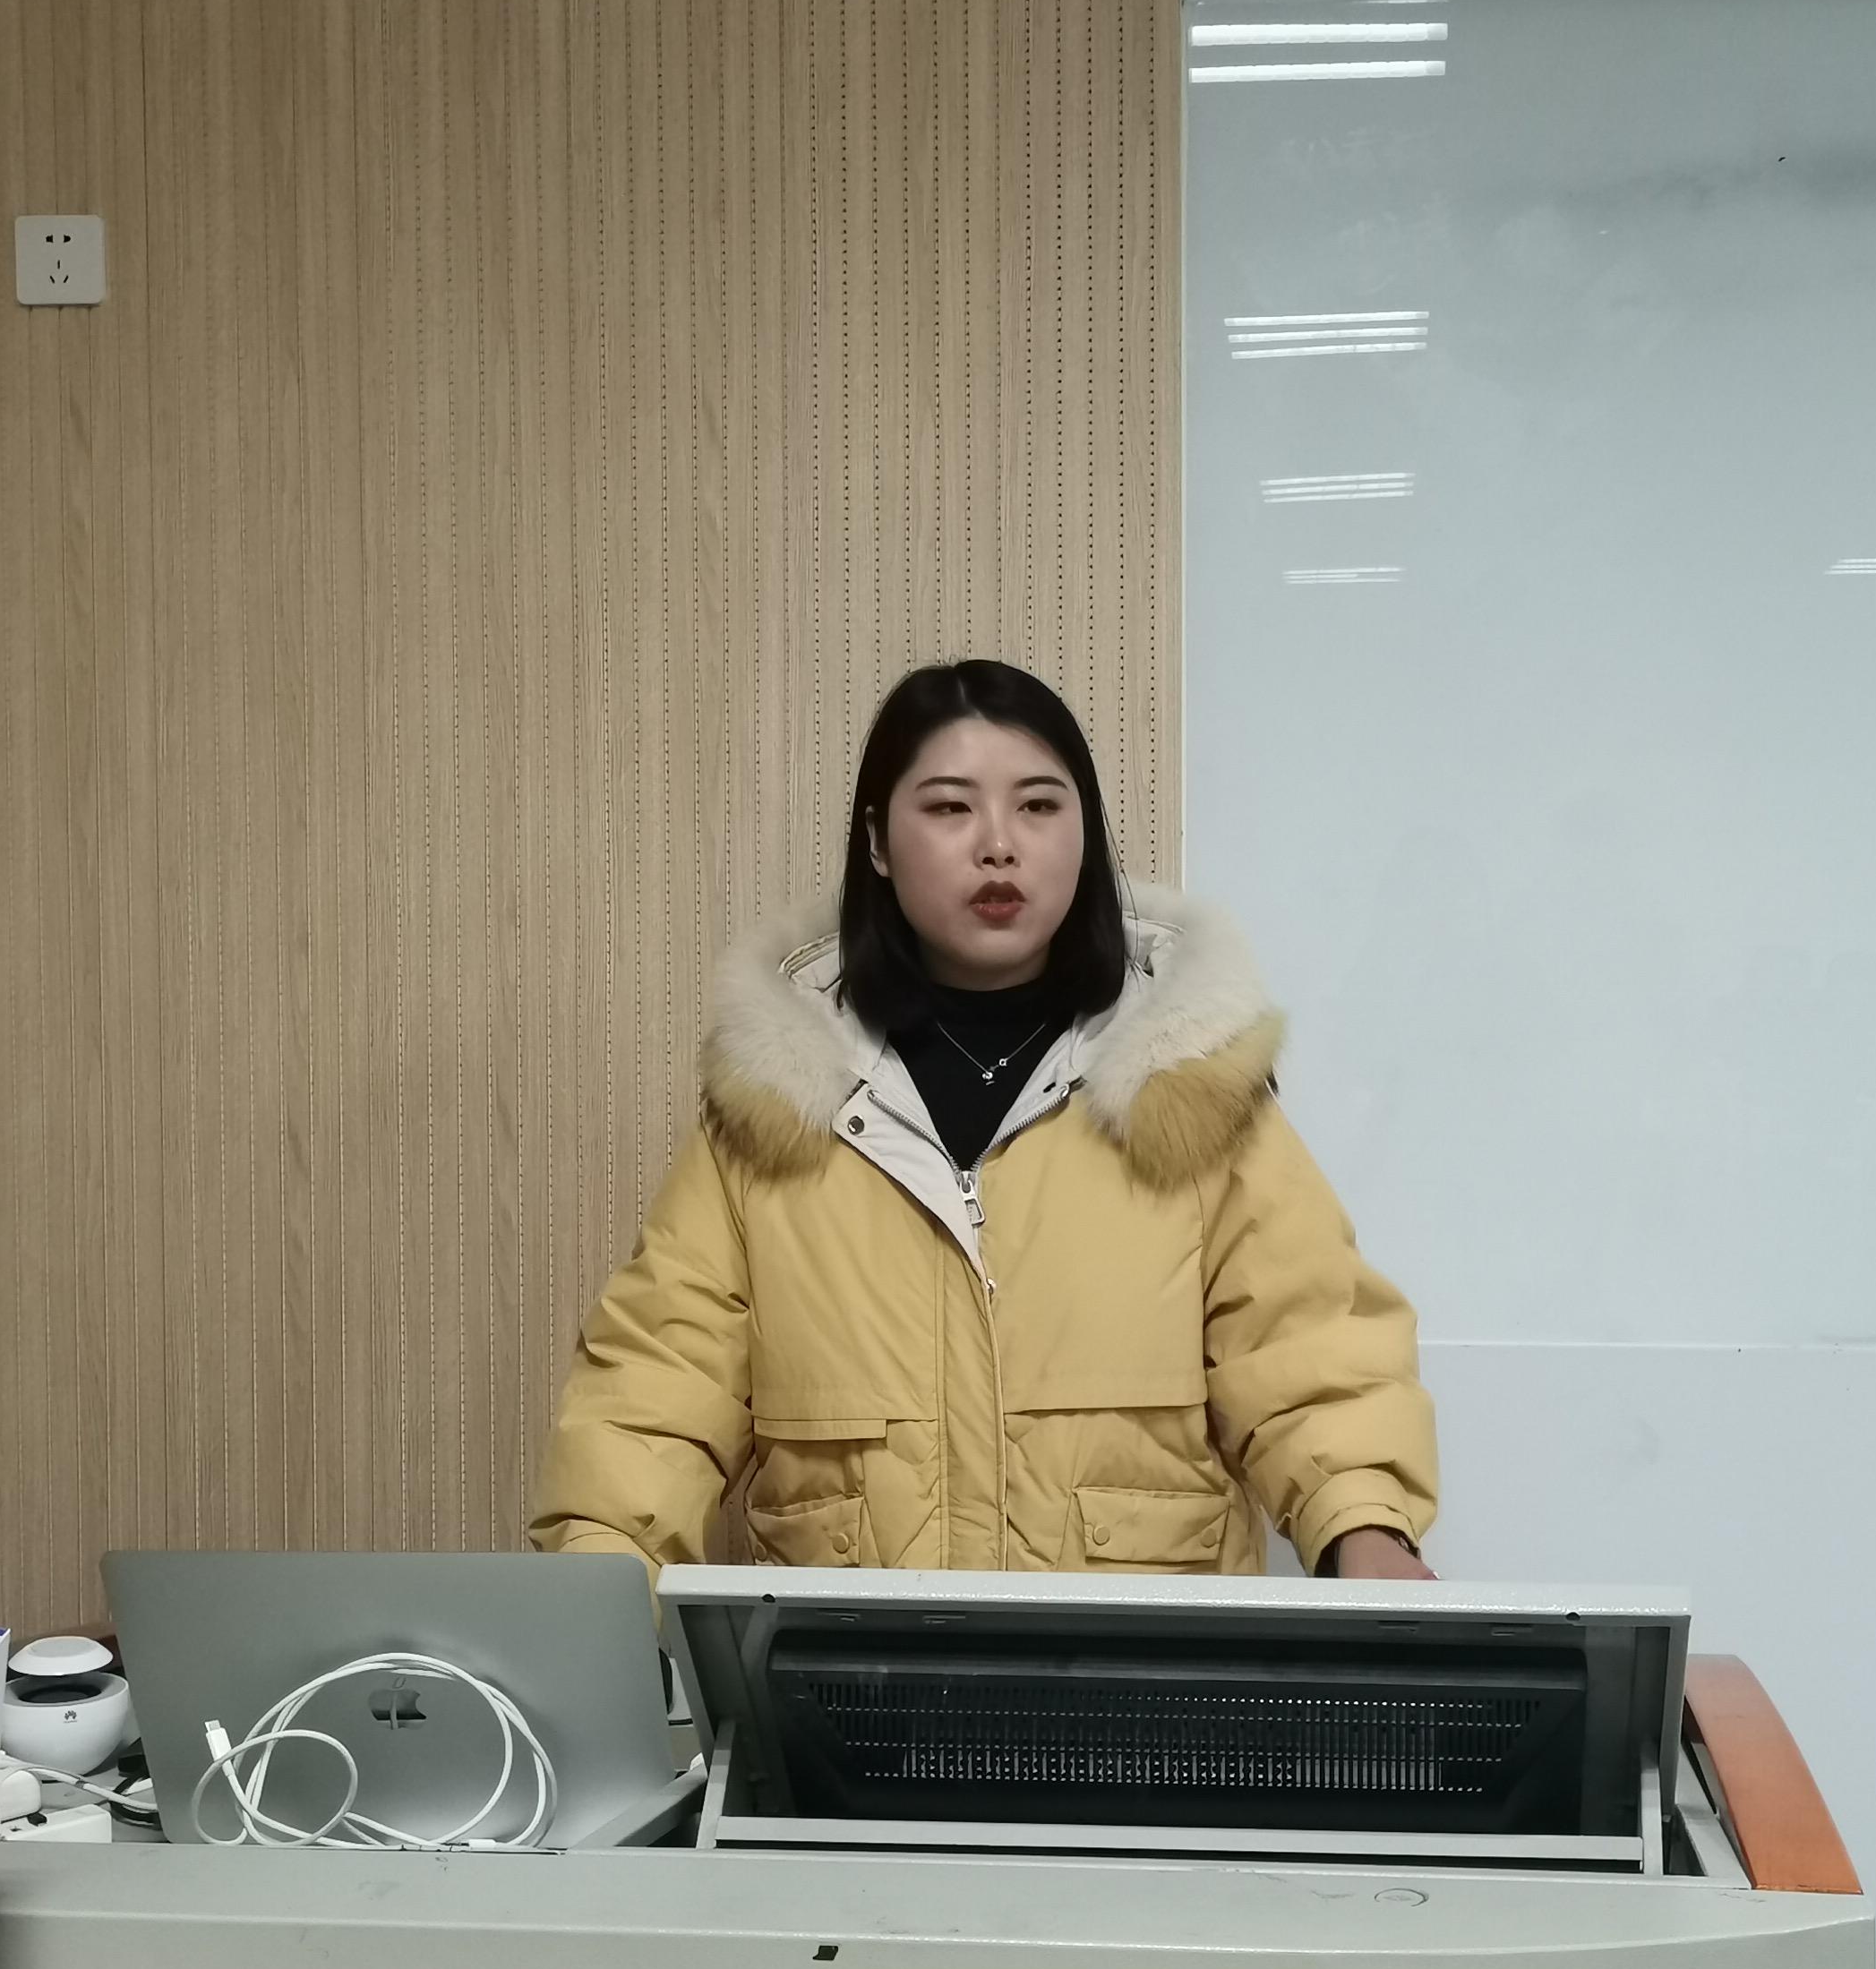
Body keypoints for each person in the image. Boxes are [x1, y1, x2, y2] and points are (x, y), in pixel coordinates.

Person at [533, 659, 1437, 1579]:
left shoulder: (1188, 1084)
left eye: (1039, 806)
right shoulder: (780, 1105)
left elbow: (1306, 1343)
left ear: (1084, 835)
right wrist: (599, 1573)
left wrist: (1363, 1528)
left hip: (1139, 1660)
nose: (999, 845)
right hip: (852, 1658)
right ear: (879, 842)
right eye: (950, 807)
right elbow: (658, 1386)